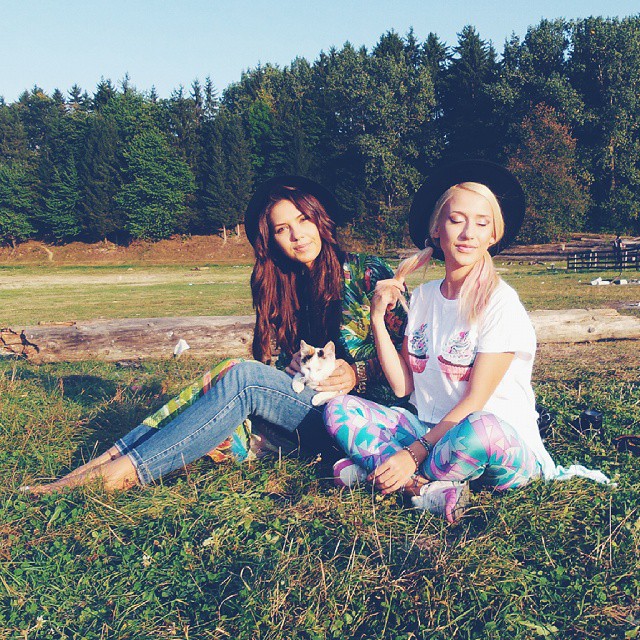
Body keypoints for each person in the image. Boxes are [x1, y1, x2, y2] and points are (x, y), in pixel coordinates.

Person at [24, 176, 406, 494]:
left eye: (303, 219)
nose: (297, 235)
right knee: (224, 381)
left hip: (366, 425)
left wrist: (359, 373)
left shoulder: (368, 274)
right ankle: (110, 460)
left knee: (242, 378)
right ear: (271, 239)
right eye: (281, 229)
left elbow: (415, 363)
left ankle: (120, 471)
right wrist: (291, 367)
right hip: (308, 409)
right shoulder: (285, 284)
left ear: (319, 218)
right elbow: (277, 372)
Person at [324, 160, 608, 523]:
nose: (468, 233)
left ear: (493, 235)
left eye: (482, 223)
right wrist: (378, 319)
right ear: (437, 229)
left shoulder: (501, 303)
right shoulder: (423, 297)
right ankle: (423, 489)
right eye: (457, 220)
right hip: (430, 432)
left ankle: (385, 473)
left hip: (495, 443)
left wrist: (412, 453)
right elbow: (402, 387)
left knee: (479, 429)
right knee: (338, 408)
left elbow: (476, 401)